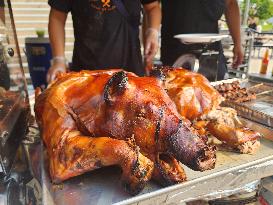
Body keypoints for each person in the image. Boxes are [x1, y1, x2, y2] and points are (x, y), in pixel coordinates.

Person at [47, 0, 161, 82]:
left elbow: (153, 7)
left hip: (131, 71)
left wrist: (153, 31)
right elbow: (57, 17)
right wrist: (59, 59)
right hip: (86, 75)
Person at [160, 0, 243, 80]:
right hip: (174, 51)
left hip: (212, 53)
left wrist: (238, 43)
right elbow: (152, 7)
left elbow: (231, 3)